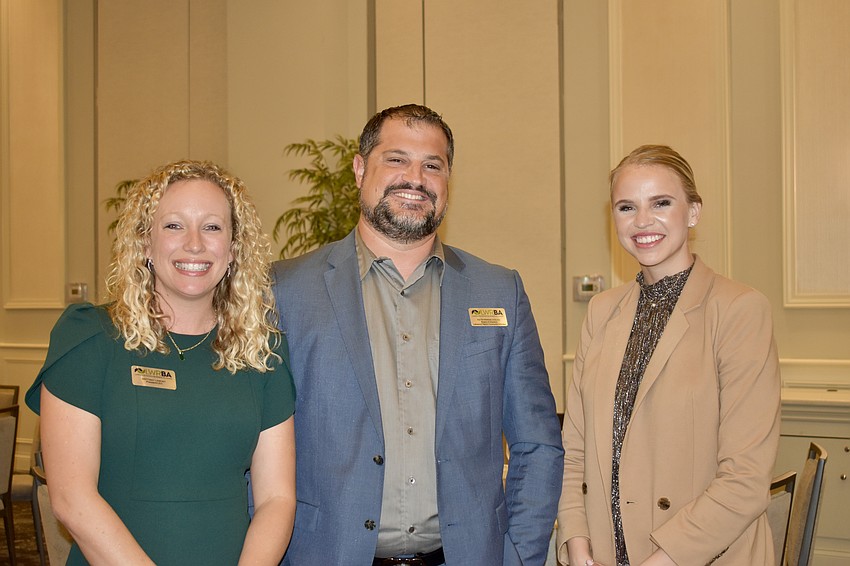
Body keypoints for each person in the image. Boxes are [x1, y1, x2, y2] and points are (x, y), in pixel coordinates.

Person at [272, 104, 563, 565]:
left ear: (448, 181)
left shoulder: (499, 291)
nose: (415, 178)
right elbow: (250, 451)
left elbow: (537, 444)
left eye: (433, 165)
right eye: (397, 159)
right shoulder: (285, 291)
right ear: (360, 169)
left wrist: (519, 557)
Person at [26, 160, 296, 565]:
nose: (194, 243)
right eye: (173, 225)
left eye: (212, 227)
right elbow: (71, 499)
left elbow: (277, 498)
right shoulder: (90, 339)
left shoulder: (263, 350)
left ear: (233, 249)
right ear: (146, 244)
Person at [557, 145, 781, 566]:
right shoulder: (601, 312)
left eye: (660, 203)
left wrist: (663, 560)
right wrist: (576, 540)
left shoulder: (739, 309)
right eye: (627, 207)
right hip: (604, 553)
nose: (642, 221)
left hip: (701, 556)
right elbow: (574, 452)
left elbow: (745, 478)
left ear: (693, 212)